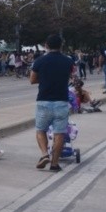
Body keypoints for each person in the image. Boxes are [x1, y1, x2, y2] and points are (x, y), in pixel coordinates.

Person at [30, 34, 74, 172]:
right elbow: (71, 76)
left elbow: (32, 80)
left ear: (46, 46)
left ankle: (44, 154)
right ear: (61, 46)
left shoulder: (39, 61)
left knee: (40, 130)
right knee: (59, 134)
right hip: (61, 101)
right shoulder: (68, 61)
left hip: (44, 101)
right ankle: (54, 163)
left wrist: (44, 79)